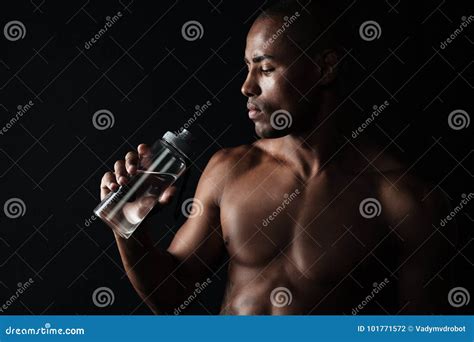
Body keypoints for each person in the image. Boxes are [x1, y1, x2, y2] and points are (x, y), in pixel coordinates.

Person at [99, 0, 456, 314]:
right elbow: (171, 296)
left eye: (266, 68)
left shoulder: (400, 198)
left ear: (325, 67)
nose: (247, 87)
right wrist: (130, 228)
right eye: (247, 68)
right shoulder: (228, 170)